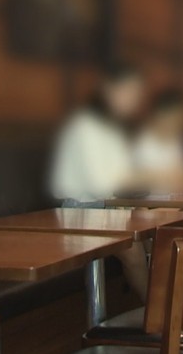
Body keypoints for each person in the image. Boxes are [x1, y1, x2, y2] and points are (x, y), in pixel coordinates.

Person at [50, 63, 150, 299]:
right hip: (77, 211)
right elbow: (101, 183)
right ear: (109, 90)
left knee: (155, 235)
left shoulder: (111, 127)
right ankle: (156, 313)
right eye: (129, 92)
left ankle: (163, 304)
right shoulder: (86, 125)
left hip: (103, 207)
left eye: (136, 94)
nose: (134, 100)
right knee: (132, 249)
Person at [133, 87, 183, 192]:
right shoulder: (143, 144)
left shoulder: (176, 141)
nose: (180, 124)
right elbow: (141, 181)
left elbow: (182, 176)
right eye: (174, 119)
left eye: (181, 119)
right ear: (159, 117)